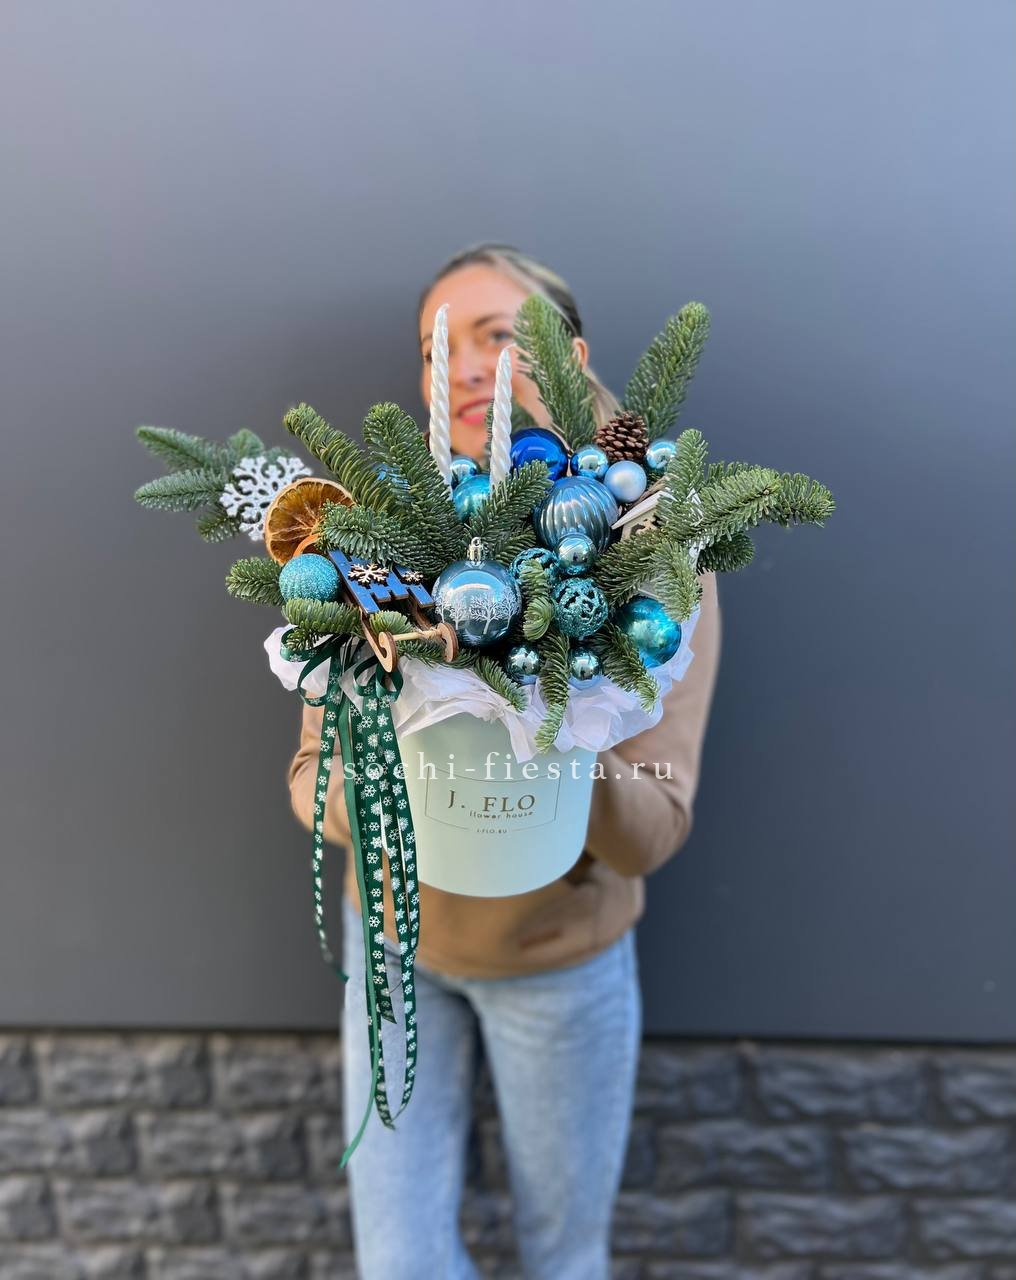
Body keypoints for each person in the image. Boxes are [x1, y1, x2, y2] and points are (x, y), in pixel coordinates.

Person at [287, 243, 722, 1279]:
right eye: (441, 347)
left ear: (570, 358)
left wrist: (561, 731)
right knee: (397, 1263)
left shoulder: (653, 557)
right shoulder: (370, 548)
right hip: (393, 946)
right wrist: (392, 746)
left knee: (562, 1259)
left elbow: (654, 828)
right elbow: (309, 782)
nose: (470, 365)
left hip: (557, 961)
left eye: (500, 336)